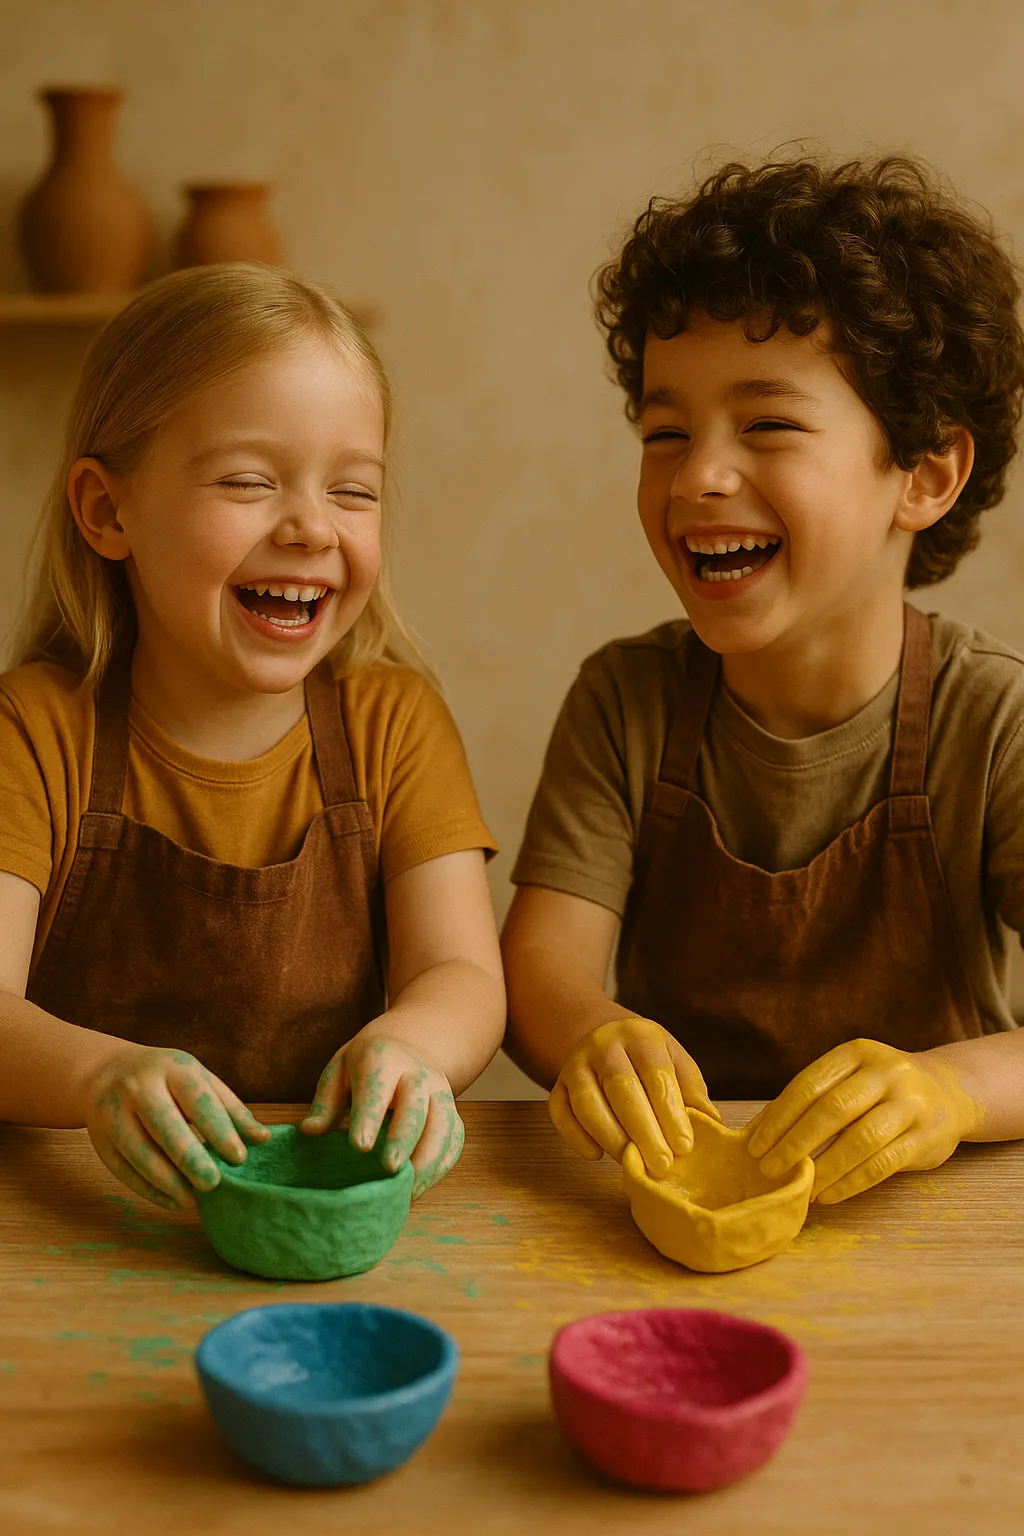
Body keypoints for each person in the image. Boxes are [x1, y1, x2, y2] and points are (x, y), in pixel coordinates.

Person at [503, 155, 1024, 1205]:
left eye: (768, 424)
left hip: (933, 1224)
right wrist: (593, 1036)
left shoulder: (996, 718)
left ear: (923, 475)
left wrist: (949, 1095)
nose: (697, 473)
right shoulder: (624, 702)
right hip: (670, 1207)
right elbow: (537, 976)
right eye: (664, 432)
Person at [0, 263, 504, 1212]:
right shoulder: (32, 730)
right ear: (109, 512)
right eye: (246, 480)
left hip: (330, 1216)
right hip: (77, 1219)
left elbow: (461, 972)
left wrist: (415, 1044)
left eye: (354, 491)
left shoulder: (394, 724)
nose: (312, 526)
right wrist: (94, 1078)